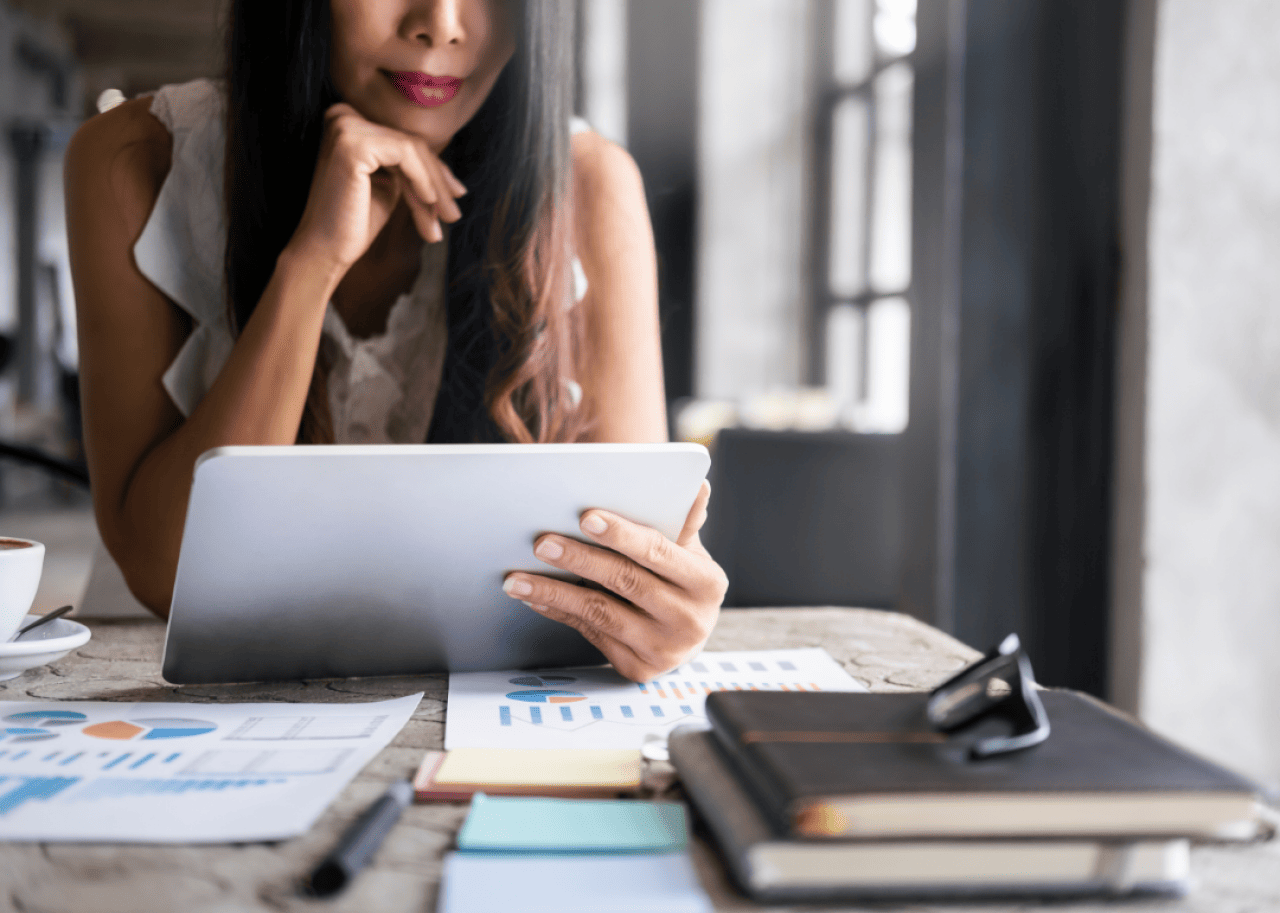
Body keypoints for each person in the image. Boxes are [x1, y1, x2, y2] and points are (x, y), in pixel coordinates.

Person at [64, 0, 727, 682]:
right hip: (168, 697)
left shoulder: (590, 185)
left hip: (470, 707)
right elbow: (166, 576)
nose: (440, 22)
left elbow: (628, 567)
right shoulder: (135, 161)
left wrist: (658, 612)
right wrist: (310, 265)